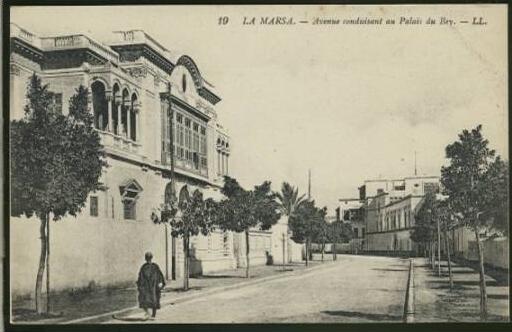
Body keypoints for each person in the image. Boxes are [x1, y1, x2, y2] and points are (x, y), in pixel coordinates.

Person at [136, 252, 165, 320]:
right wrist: (160, 283)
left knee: (148, 300)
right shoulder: (153, 266)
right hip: (151, 287)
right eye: (148, 258)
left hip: (150, 287)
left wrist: (140, 284)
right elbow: (160, 276)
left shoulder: (145, 267)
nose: (148, 259)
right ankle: (152, 315)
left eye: (148, 258)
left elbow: (141, 277)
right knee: (153, 300)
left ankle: (150, 314)